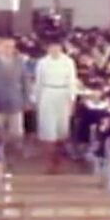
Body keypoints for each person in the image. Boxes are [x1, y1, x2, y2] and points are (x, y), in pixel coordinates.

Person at [33, 39, 79, 173]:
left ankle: (58, 160)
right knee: (48, 130)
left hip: (63, 95)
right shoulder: (42, 62)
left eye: (57, 47)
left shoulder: (68, 62)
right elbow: (38, 82)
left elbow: (72, 81)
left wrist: (72, 99)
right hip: (47, 94)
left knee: (62, 131)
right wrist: (36, 100)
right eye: (51, 47)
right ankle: (49, 162)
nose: (54, 50)